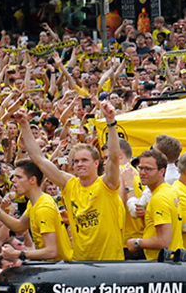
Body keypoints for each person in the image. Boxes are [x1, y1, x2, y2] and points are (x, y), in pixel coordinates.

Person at [17, 104, 125, 260]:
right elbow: (39, 159)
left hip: (110, 263)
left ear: (96, 163)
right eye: (76, 161)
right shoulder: (69, 184)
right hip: (80, 264)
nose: (79, 164)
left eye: (84, 160)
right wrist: (24, 125)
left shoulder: (107, 184)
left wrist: (111, 123)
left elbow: (114, 158)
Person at [0, 160, 74, 262]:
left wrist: (18, 254)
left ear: (32, 180)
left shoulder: (43, 208)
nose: (13, 180)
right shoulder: (35, 202)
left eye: (19, 177)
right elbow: (20, 226)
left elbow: (51, 251)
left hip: (60, 267)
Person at [126, 148, 182, 259]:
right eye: (141, 168)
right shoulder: (169, 190)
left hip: (163, 261)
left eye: (148, 169)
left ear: (162, 171)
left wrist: (137, 242)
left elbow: (163, 241)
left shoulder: (159, 198)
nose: (142, 173)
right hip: (172, 259)